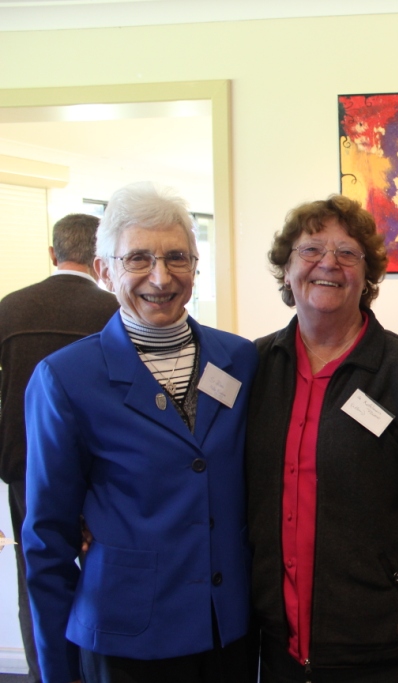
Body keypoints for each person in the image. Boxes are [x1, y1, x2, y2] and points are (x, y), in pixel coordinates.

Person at [21, 182, 258, 683]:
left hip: (227, 628)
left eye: (177, 257)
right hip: (127, 634)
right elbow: (48, 539)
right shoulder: (66, 378)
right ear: (105, 270)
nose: (161, 276)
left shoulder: (240, 360)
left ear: (196, 265)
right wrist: (56, 672)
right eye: (138, 259)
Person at [246, 194, 398, 683]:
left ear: (367, 276)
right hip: (277, 647)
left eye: (347, 253)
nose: (328, 263)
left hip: (381, 648)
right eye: (311, 250)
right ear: (286, 269)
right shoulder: (255, 367)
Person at [0, 213, 119, 683]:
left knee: (38, 580)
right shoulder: (113, 311)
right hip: (99, 474)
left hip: (25, 470)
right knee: (103, 574)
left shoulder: (9, 309)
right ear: (101, 257)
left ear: (53, 254)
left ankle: (46, 673)